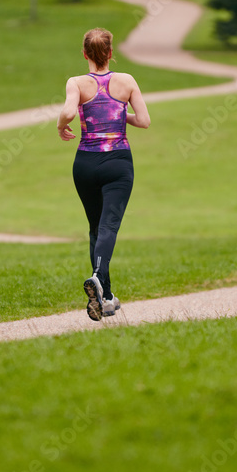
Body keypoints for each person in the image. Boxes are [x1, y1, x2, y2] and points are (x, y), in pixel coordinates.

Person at [57, 27, 151, 321]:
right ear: (111, 53)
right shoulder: (127, 81)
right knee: (109, 226)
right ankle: (98, 277)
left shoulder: (76, 83)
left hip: (85, 163)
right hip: (118, 163)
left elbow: (70, 113)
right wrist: (121, 115)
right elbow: (145, 121)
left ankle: (106, 297)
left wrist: (61, 126)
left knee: (95, 228)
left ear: (85, 54)